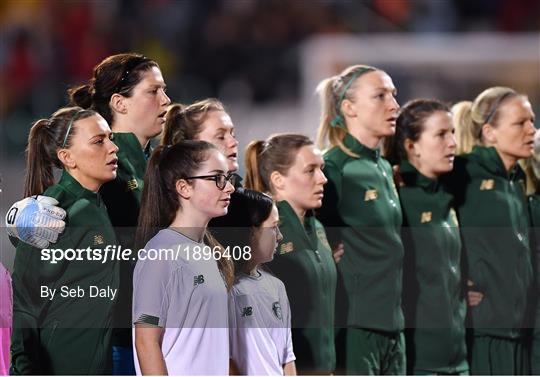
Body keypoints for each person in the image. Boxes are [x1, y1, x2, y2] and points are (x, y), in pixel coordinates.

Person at [5, 53, 171, 374]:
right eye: (153, 91)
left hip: (144, 339)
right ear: (120, 103)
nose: (165, 100)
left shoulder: (154, 162)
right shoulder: (106, 171)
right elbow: (31, 289)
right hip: (119, 345)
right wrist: (19, 218)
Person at [10, 107, 120, 374]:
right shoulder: (53, 216)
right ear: (67, 157)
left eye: (110, 137)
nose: (113, 147)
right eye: (98, 141)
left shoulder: (95, 202)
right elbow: (24, 305)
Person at [315, 64, 405, 375]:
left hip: (395, 325)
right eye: (380, 96)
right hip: (356, 327)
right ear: (349, 108)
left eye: (393, 95)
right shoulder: (331, 168)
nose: (394, 105)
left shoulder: (383, 167)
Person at [448, 87, 536, 375]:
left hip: (520, 333)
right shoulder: (463, 172)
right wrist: (456, 285)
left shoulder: (517, 179)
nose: (531, 130)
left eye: (532, 121)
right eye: (520, 123)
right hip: (483, 334)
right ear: (490, 132)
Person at [133, 140, 235, 375]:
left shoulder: (207, 251)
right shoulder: (161, 252)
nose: (228, 187)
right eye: (217, 178)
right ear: (184, 188)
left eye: (228, 178)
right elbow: (146, 343)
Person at [383, 99, 468, 375]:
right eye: (441, 134)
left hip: (460, 358)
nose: (452, 143)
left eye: (453, 133)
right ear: (411, 146)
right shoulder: (396, 197)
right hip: (419, 362)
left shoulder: (449, 191)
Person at [244, 133, 337, 374]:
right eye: (310, 170)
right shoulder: (264, 234)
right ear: (278, 180)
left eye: (322, 169)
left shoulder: (317, 228)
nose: (323, 178)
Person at [218, 188, 297, 375]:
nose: (280, 236)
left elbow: (287, 357)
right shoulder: (225, 289)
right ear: (250, 232)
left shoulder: (277, 287)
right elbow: (224, 359)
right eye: (273, 227)